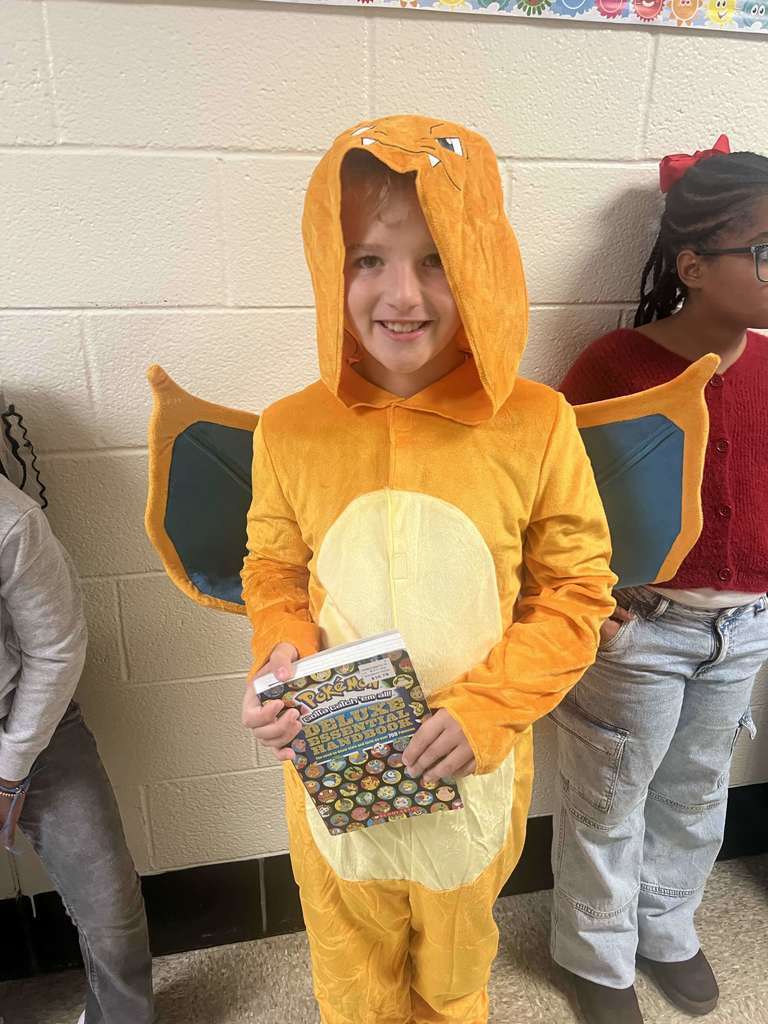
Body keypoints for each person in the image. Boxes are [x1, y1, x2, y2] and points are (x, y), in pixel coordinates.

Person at [240, 114, 616, 1024]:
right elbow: (274, 567)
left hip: (470, 774)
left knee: (453, 977)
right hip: (337, 772)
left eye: (438, 258)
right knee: (351, 980)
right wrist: (278, 656)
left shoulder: (535, 423)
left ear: (482, 264)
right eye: (368, 259)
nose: (402, 294)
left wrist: (488, 709)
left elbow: (576, 589)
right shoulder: (290, 429)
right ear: (331, 268)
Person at [550, 137, 768, 1024]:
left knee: (696, 790)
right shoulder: (616, 365)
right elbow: (556, 493)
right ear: (694, 266)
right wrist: (592, 599)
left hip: (744, 627)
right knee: (608, 794)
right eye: (765, 250)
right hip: (641, 628)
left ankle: (667, 926)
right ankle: (593, 952)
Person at [0, 431, 154, 1024]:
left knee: (110, 904)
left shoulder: (12, 520)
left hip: (35, 719)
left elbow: (57, 649)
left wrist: (9, 772)